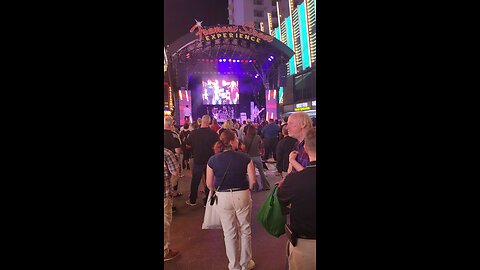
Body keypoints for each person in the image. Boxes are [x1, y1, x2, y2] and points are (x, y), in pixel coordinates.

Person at [206, 130, 257, 270]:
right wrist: (248, 189)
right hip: (242, 194)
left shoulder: (212, 160)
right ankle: (246, 263)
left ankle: (234, 265)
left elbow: (209, 184)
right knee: (245, 229)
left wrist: (217, 191)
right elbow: (253, 181)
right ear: (232, 141)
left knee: (229, 232)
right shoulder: (245, 158)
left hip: (223, 196)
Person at [277, 127, 316, 269]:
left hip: (305, 245)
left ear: (304, 148)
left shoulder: (294, 180)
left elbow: (281, 201)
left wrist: (292, 163)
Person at [185, 115, 219, 207]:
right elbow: (217, 147)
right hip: (210, 160)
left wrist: (194, 148)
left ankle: (192, 200)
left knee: (195, 180)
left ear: (201, 122)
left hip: (198, 159)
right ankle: (207, 200)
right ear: (209, 122)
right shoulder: (214, 134)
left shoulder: (193, 133)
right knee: (209, 180)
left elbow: (187, 145)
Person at [164, 147, 180, 262]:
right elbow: (175, 172)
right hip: (164, 194)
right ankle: (165, 252)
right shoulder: (166, 153)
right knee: (165, 222)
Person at [243, 125, 270, 191]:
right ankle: (265, 186)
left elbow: (244, 148)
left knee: (252, 172)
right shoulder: (258, 137)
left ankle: (255, 187)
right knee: (261, 171)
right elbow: (261, 145)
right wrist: (262, 152)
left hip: (249, 157)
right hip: (257, 156)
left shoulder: (245, 138)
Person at [164, 116, 182, 211]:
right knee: (170, 184)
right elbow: (178, 150)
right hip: (171, 162)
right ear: (171, 125)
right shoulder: (174, 135)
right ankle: (171, 206)